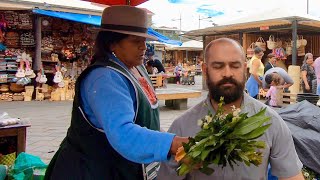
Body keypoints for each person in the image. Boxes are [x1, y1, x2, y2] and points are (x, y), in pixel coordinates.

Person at [44, 6, 188, 180]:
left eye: (144, 40)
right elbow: (124, 134)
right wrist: (172, 144)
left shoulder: (137, 67)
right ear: (112, 43)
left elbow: (144, 119)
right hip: (91, 171)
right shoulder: (104, 77)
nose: (143, 47)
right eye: (135, 41)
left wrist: (167, 142)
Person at [158, 38, 304, 180]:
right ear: (204, 69)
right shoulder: (182, 127)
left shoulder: (270, 122)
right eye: (218, 66)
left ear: (245, 68)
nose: (227, 73)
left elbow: (292, 175)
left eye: (235, 65)